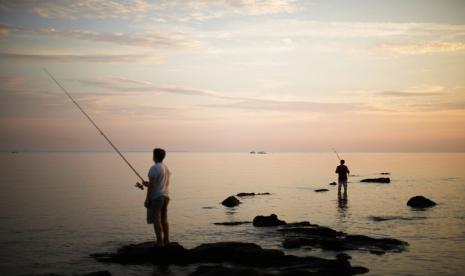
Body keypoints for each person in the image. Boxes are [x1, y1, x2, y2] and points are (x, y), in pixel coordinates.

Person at [143, 148, 171, 246]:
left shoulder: (154, 168)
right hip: (166, 196)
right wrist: (148, 184)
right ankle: (166, 240)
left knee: (156, 219)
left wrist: (147, 199)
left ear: (154, 156)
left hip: (157, 198)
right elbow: (162, 183)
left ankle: (159, 242)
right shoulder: (166, 168)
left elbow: (153, 186)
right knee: (164, 219)